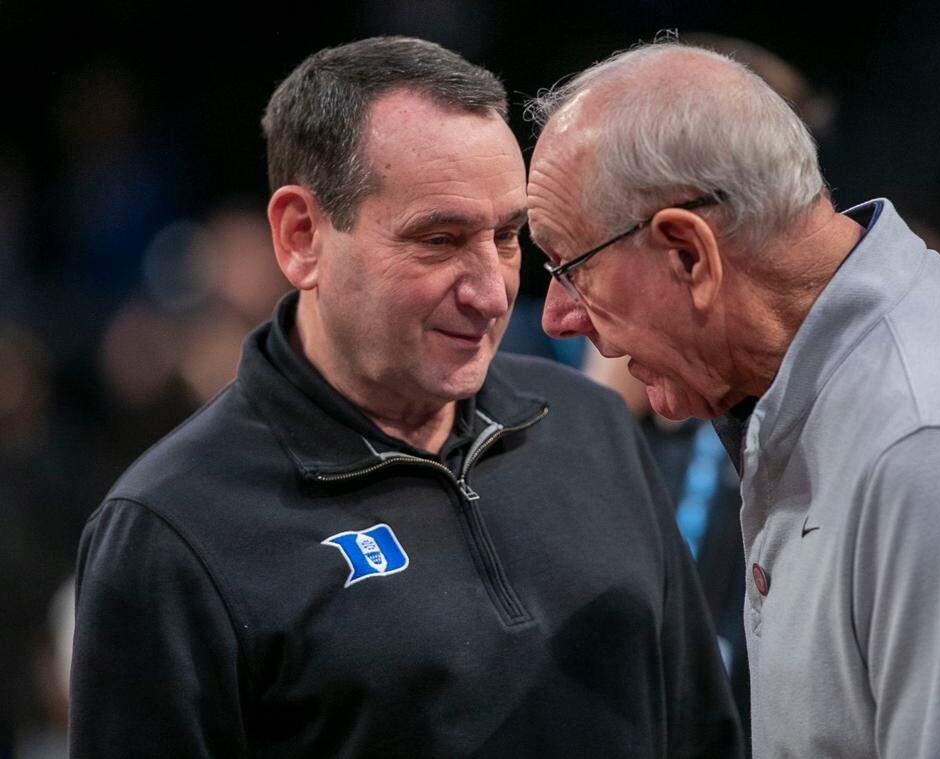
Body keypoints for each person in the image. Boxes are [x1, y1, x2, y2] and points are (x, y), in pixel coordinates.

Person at [70, 37, 743, 758]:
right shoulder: (172, 531)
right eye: (439, 239)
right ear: (301, 237)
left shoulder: (592, 424)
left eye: (509, 236)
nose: (491, 292)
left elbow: (704, 736)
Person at [526, 40, 940, 758]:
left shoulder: (932, 441)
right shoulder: (828, 381)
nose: (557, 317)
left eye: (571, 267)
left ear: (689, 254)